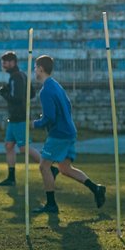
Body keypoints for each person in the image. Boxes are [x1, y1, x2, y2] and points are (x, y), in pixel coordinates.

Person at [31, 55, 106, 214]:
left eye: (35, 68)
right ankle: (97, 189)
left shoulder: (46, 90)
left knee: (44, 167)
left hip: (59, 134)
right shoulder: (56, 85)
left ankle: (51, 204)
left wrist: (35, 124)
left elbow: (49, 117)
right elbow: (68, 105)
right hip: (69, 131)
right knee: (65, 168)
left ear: (41, 69)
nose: (34, 71)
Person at [0, 51, 56, 186]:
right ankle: (11, 178)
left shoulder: (16, 77)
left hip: (19, 118)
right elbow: (32, 94)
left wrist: (4, 93)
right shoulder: (21, 75)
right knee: (9, 146)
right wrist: (10, 91)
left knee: (24, 148)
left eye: (5, 62)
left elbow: (17, 99)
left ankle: (51, 168)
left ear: (12, 63)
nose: (3, 65)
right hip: (14, 117)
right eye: (2, 63)